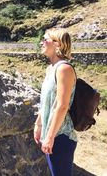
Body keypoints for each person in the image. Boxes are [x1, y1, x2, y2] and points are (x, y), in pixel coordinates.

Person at [33, 28, 77, 176]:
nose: (41, 42)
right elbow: (46, 100)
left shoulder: (64, 69)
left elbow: (62, 105)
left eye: (45, 39)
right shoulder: (50, 69)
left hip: (61, 135)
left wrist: (50, 136)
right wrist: (38, 124)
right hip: (51, 134)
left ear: (58, 44)